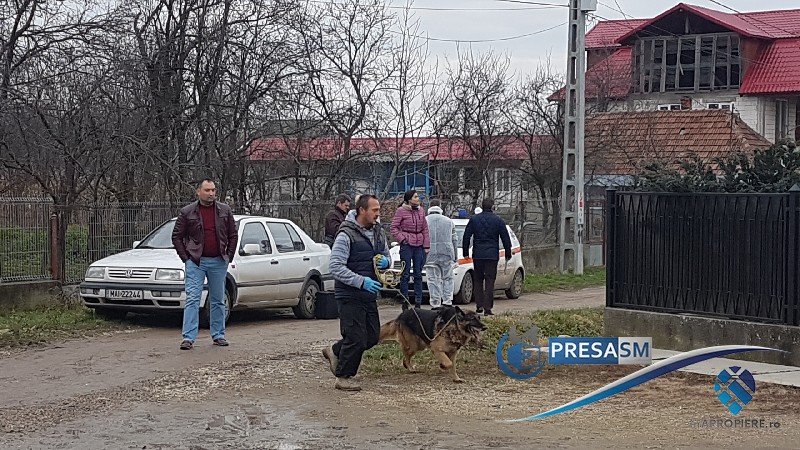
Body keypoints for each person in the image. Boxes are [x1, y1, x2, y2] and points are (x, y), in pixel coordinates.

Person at [322, 194, 391, 391]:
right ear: (362, 210)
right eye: (374, 210)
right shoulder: (346, 234)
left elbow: (386, 254)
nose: (378, 214)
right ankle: (343, 377)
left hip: (369, 294)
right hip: (349, 294)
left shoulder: (378, 231)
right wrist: (361, 281)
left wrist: (386, 262)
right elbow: (335, 266)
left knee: (371, 336)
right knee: (355, 337)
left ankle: (335, 350)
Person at [172, 178, 239, 350]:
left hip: (219, 261)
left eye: (213, 190)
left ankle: (218, 335)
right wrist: (186, 258)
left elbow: (233, 235)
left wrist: (228, 256)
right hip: (196, 262)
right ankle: (188, 337)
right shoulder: (187, 212)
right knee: (193, 299)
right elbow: (177, 236)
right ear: (198, 191)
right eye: (207, 190)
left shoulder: (224, 210)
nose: (211, 194)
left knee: (218, 300)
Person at [462, 198, 511, 316]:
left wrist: (465, 252)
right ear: (492, 207)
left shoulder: (474, 220)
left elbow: (466, 236)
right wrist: (508, 253)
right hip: (492, 255)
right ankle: (488, 308)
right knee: (490, 280)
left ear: (482, 206)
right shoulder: (498, 220)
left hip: (478, 254)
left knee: (478, 280)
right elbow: (505, 238)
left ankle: (479, 305)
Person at [390, 190, 430, 308]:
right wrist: (402, 239)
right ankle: (405, 300)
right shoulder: (401, 211)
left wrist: (426, 245)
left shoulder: (421, 211)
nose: (418, 199)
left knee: (418, 273)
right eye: (416, 197)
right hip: (407, 244)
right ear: (409, 199)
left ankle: (418, 302)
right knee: (405, 274)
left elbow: (425, 228)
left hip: (419, 245)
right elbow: (394, 227)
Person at [424, 199, 459, 308]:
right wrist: (455, 256)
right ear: (440, 207)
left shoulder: (424, 221)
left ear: (429, 207)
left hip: (429, 253)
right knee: (448, 278)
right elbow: (454, 239)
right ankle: (447, 301)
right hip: (446, 253)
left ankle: (435, 303)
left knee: (432, 279)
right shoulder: (448, 221)